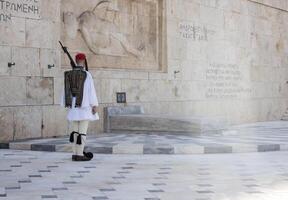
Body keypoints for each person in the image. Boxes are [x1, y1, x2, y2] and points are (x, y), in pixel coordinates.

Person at [61, 53, 99, 161]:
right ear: (84, 61)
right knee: (82, 131)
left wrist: (66, 103)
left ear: (76, 60)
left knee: (74, 132)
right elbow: (91, 90)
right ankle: (80, 154)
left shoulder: (68, 74)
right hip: (84, 107)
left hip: (73, 107)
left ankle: (75, 153)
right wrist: (94, 104)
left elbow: (65, 91)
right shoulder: (86, 74)